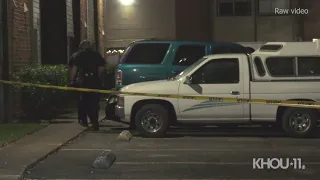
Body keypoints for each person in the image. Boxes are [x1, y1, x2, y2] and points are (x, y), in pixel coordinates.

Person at [68, 40, 105, 130]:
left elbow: (74, 69)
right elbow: (101, 68)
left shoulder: (78, 55)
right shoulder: (97, 55)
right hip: (95, 81)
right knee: (94, 103)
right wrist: (98, 78)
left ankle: (84, 120)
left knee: (83, 102)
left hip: (83, 81)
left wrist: (72, 81)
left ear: (81, 46)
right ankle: (94, 121)